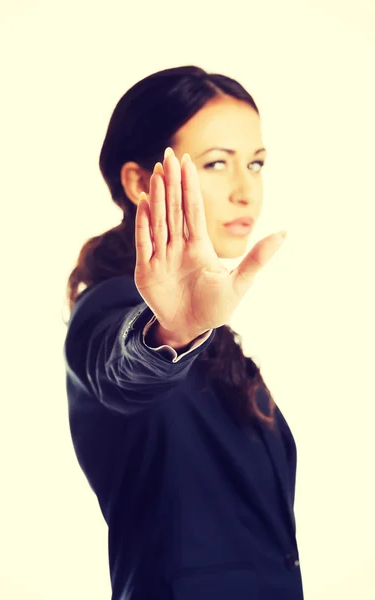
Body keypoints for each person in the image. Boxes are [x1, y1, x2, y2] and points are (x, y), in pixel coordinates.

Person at [63, 65, 304, 600]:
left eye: (256, 163)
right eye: (217, 163)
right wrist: (170, 332)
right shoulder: (112, 309)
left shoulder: (208, 324)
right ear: (139, 182)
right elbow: (121, 372)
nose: (246, 190)